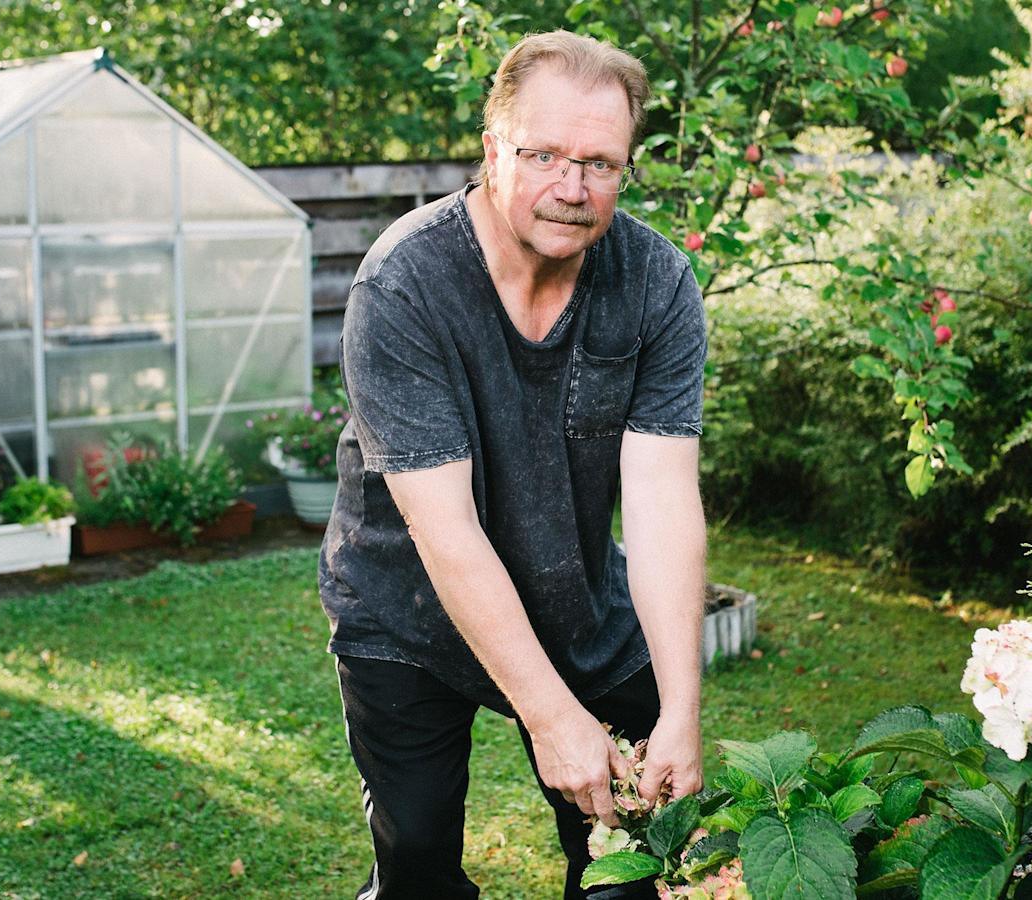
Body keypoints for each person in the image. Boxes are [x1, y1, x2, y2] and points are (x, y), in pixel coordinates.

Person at [318, 29, 708, 900]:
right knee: (417, 868)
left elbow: (662, 502)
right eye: (544, 155)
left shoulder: (656, 282)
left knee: (635, 860)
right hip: (406, 610)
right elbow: (444, 530)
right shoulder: (403, 284)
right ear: (493, 149)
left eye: (600, 164)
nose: (572, 189)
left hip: (576, 603)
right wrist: (549, 715)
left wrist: (682, 711)